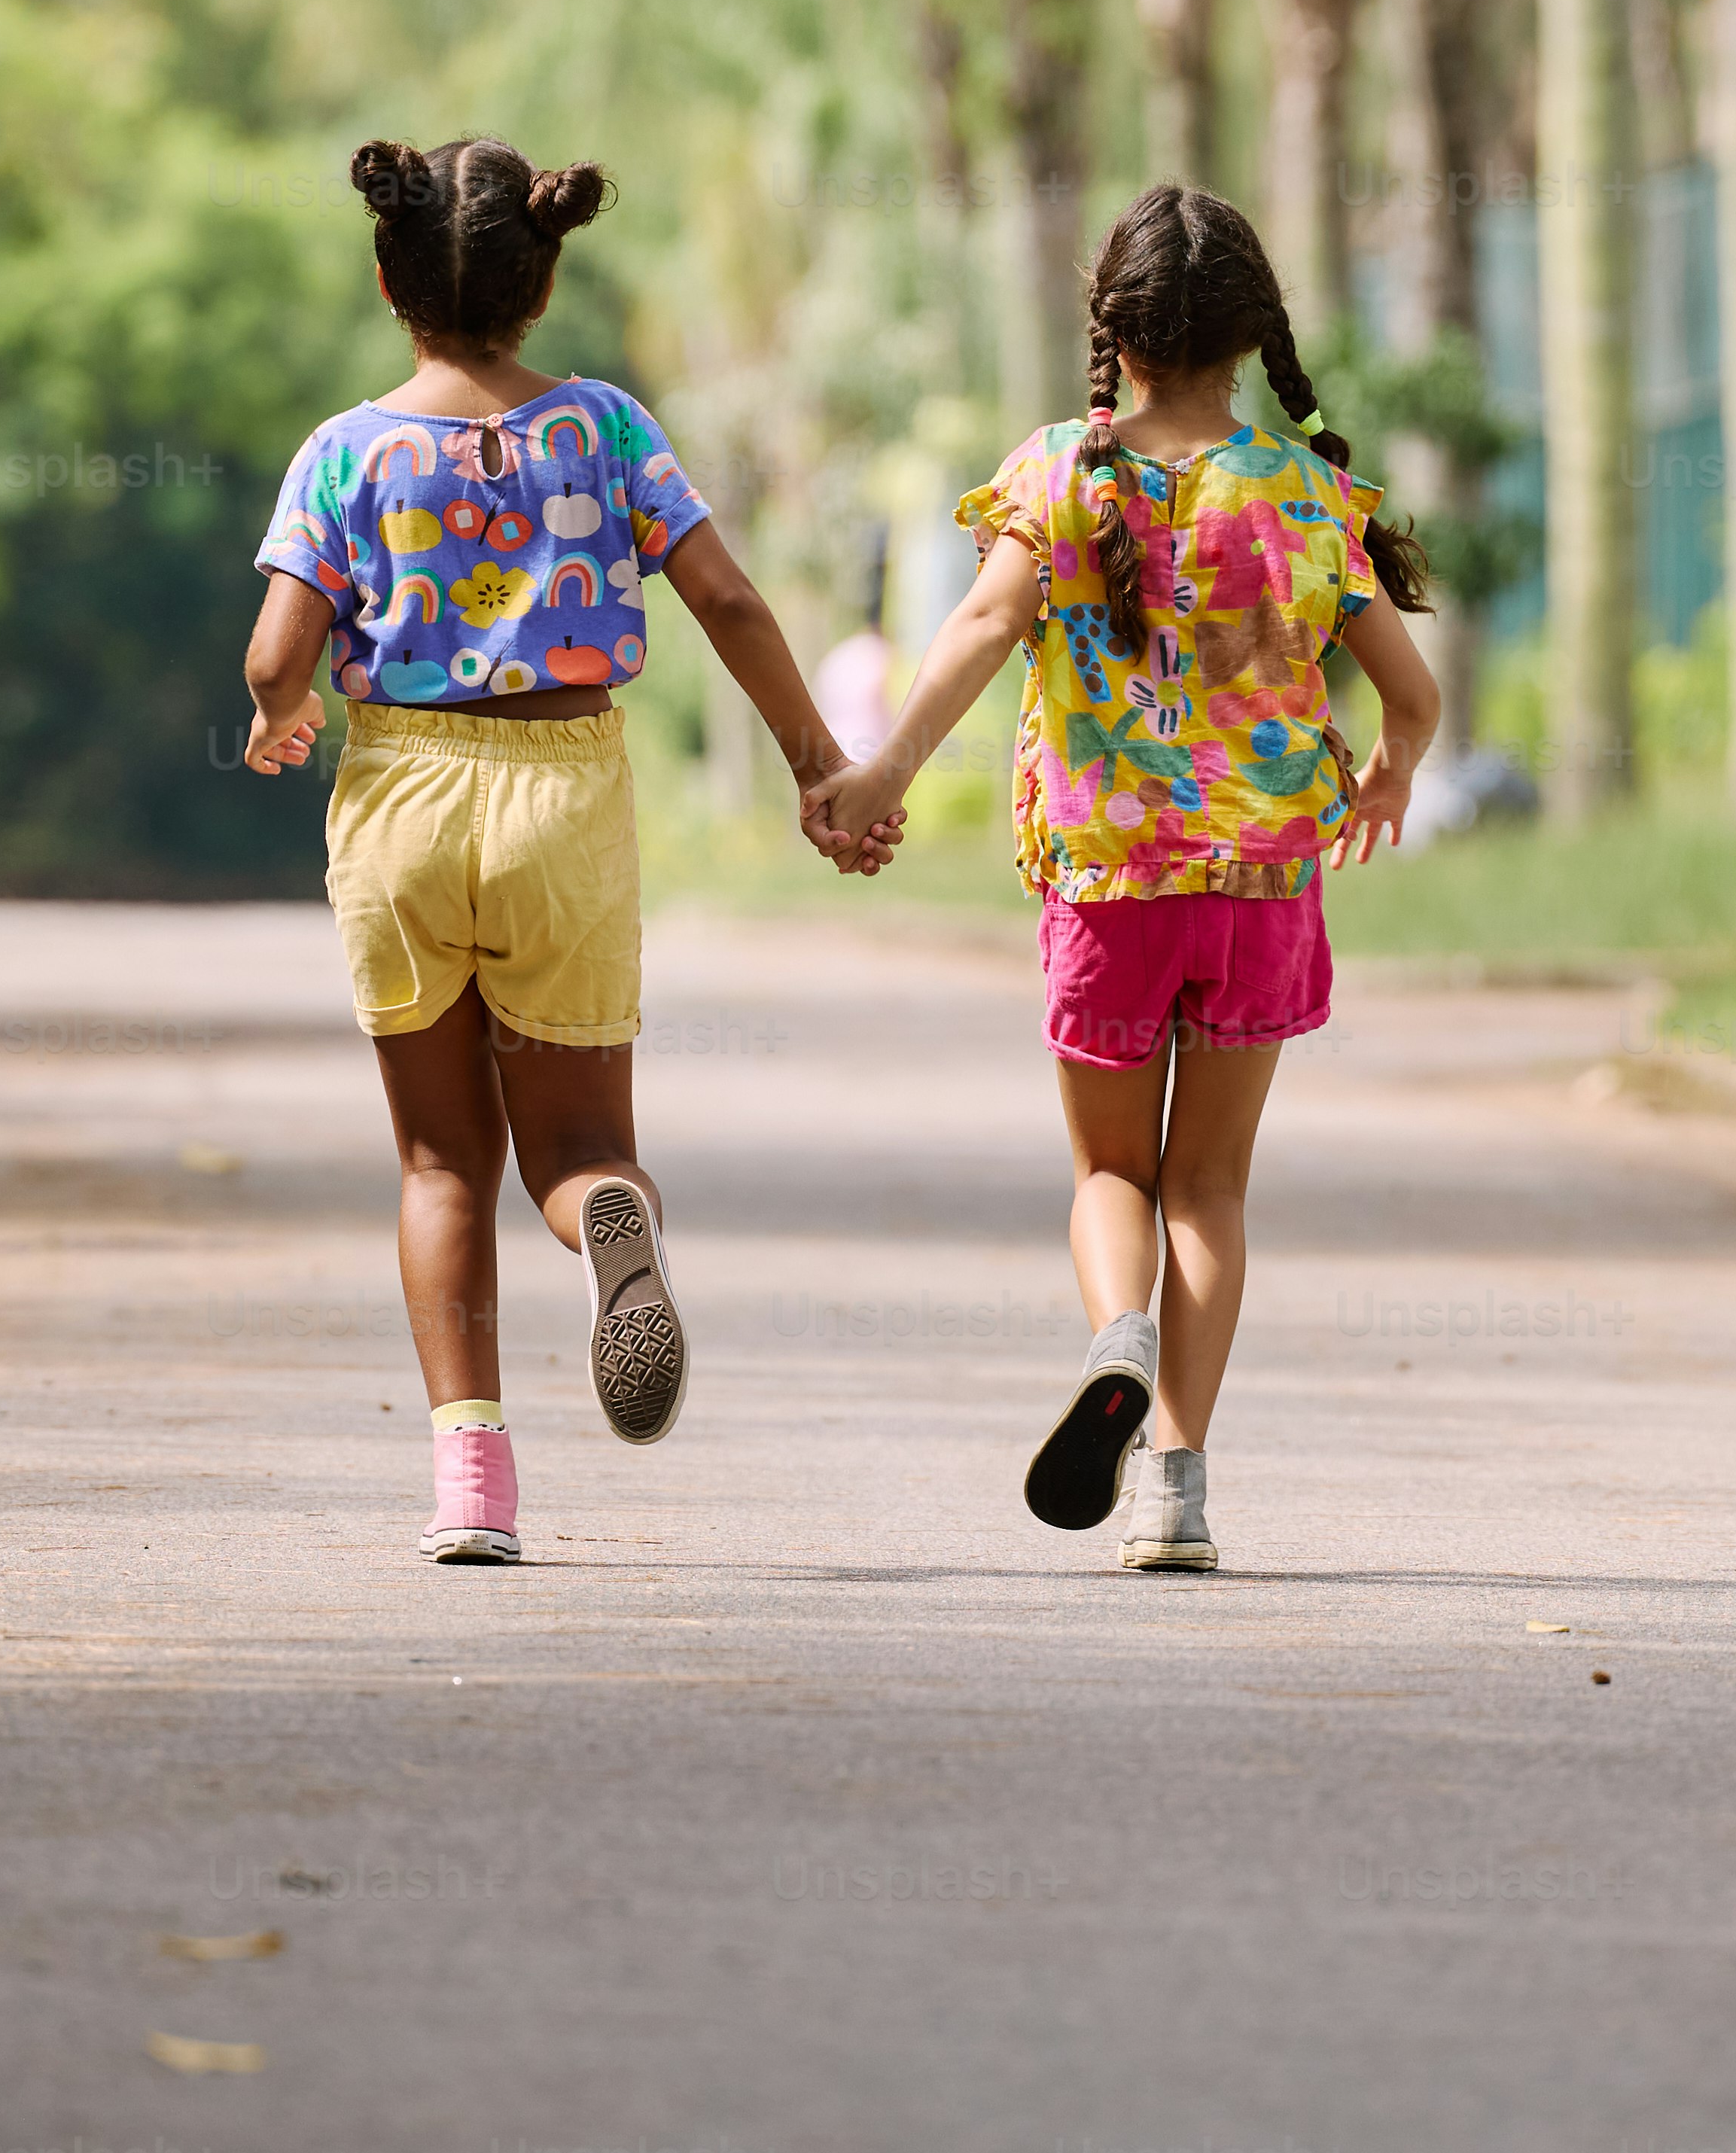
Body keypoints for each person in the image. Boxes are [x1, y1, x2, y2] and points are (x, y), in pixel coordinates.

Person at [244, 134, 877, 1566]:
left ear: (392, 277)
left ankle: (472, 1484)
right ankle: (608, 1221)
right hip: (564, 784)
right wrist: (817, 762)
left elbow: (278, 647)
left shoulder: (347, 451)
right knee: (579, 1144)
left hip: (404, 790)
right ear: (543, 279)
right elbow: (724, 597)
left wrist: (282, 715)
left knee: (438, 1165)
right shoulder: (602, 426)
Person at [811, 182, 1442, 1575]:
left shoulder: (1054, 473)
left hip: (1109, 882)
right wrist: (1389, 775)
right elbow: (1411, 691)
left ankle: (1114, 1334)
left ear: (1111, 331)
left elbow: (978, 629)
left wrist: (881, 775)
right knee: (1210, 1185)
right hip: (1262, 886)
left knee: (1112, 1168)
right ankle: (1176, 1488)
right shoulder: (1305, 491)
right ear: (1253, 337)